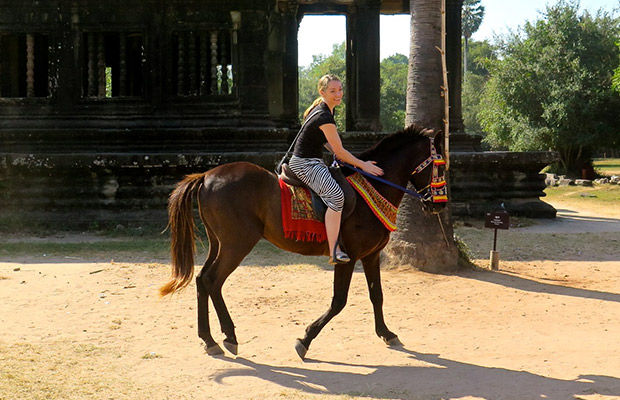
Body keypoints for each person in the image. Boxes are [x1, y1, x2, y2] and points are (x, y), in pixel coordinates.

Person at [289, 74, 384, 264]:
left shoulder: (324, 110)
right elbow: (340, 151)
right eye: (333, 91)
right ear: (322, 92)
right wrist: (362, 164)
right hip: (305, 164)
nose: (338, 94)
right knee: (336, 197)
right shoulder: (324, 115)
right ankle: (334, 250)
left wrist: (342, 157)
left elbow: (327, 143)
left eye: (340, 89)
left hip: (312, 161)